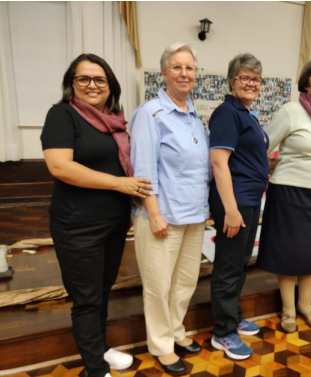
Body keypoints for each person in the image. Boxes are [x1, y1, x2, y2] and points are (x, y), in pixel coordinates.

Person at [41, 53, 153, 377]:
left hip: (113, 222)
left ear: (110, 85)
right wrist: (120, 183)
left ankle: (99, 349)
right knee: (87, 298)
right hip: (77, 225)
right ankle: (94, 368)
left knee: (102, 291)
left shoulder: (114, 119)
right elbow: (60, 166)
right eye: (83, 79)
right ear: (71, 84)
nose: (92, 85)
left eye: (99, 79)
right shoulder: (62, 115)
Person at [130, 43, 210, 376]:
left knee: (185, 283)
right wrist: (155, 214)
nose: (184, 73)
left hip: (193, 215)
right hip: (161, 218)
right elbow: (143, 172)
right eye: (176, 67)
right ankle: (162, 345)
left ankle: (176, 331)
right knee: (158, 286)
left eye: (189, 68)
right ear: (163, 73)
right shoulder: (150, 114)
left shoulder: (193, 114)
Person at [257, 59, 311, 333]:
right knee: (289, 253)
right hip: (290, 193)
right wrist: (266, 171)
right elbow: (263, 144)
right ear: (306, 82)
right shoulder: (291, 111)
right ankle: (289, 311)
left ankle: (306, 306)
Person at [209, 53, 268, 360]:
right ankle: (223, 332)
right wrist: (230, 209)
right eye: (244, 78)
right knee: (229, 266)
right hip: (235, 202)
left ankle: (232, 314)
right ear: (231, 81)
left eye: (255, 79)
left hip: (248, 199)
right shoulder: (227, 113)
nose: (250, 83)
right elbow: (218, 162)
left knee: (240, 262)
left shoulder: (246, 113)